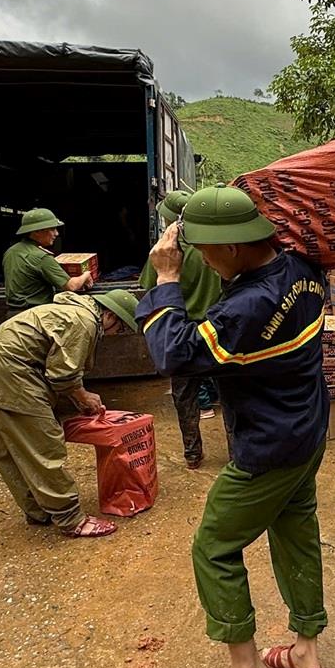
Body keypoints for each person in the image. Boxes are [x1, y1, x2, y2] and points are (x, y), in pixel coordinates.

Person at [136, 186, 328, 668]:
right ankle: (306, 653)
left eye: (204, 250)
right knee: (296, 532)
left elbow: (174, 354)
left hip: (269, 447)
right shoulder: (302, 269)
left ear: (236, 248)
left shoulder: (246, 307)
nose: (199, 258)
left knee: (214, 546)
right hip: (307, 431)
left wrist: (167, 280)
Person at [0, 288, 138, 538]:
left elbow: (56, 363)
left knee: (12, 450)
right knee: (44, 447)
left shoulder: (72, 311)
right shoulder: (85, 322)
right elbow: (63, 374)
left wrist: (78, 398)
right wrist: (83, 396)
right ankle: (71, 518)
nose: (115, 335)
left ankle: (39, 510)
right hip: (15, 377)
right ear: (110, 315)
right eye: (120, 329)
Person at [139, 188, 224, 468]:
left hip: (182, 331)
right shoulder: (215, 246)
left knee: (185, 398)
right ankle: (238, 453)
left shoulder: (166, 253)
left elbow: (150, 288)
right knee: (231, 394)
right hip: (216, 330)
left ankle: (192, 454)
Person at [2, 208, 94, 316]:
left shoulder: (11, 252)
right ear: (36, 231)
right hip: (35, 317)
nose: (56, 233)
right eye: (52, 229)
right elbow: (71, 286)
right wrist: (86, 274)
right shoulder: (41, 257)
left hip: (12, 315)